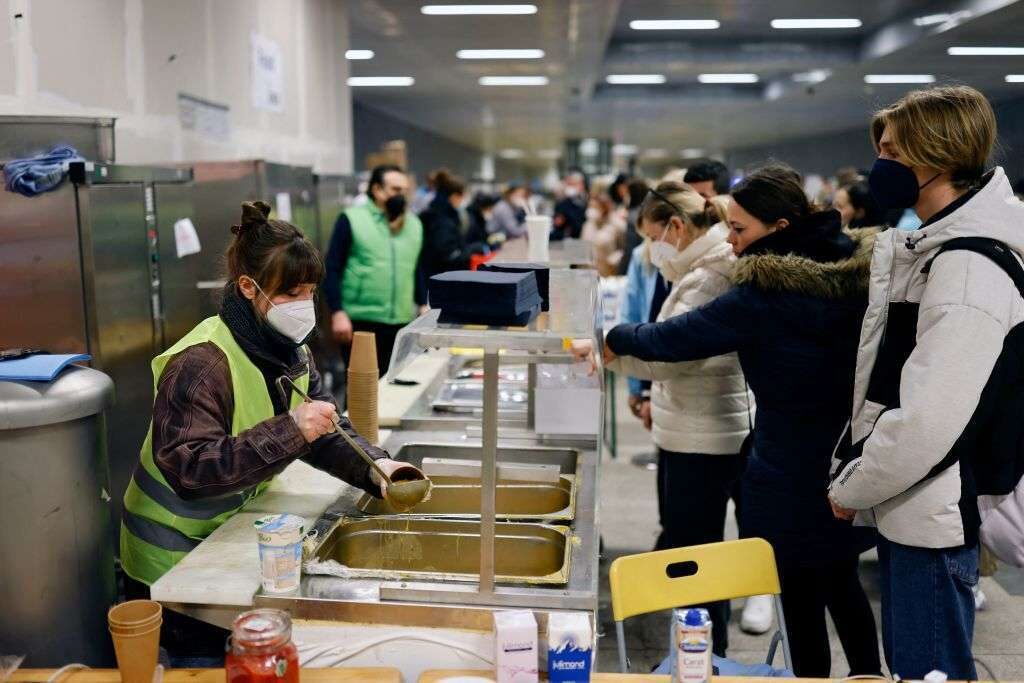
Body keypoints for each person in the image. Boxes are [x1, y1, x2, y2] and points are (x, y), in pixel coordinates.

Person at [579, 165, 881, 677]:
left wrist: (615, 338)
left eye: (740, 230)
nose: (732, 241)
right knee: (841, 581)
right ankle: (869, 676)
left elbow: (682, 336)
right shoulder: (854, 272)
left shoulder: (768, 292)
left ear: (780, 228)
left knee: (801, 597)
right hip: (847, 459)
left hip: (789, 465)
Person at [120, 201, 422, 659]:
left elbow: (324, 427)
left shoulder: (288, 350)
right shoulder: (201, 365)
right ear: (247, 287)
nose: (303, 306)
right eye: (289, 293)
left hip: (225, 541)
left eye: (309, 292)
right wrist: (290, 431)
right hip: (173, 561)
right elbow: (192, 470)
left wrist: (377, 468)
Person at [828, 85, 1024, 681]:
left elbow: (930, 418)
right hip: (915, 503)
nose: (879, 167)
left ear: (935, 155)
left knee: (927, 670)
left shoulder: (967, 266)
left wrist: (853, 485)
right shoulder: (937, 248)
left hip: (932, 510)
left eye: (891, 152)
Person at [607, 181, 750, 656]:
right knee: (691, 544)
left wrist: (611, 352)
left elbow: (670, 356)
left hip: (704, 434)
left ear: (677, 226)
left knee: (697, 555)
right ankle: (696, 650)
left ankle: (704, 655)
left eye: (652, 237)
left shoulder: (709, 277)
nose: (651, 251)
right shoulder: (696, 271)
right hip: (694, 426)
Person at [324, 164, 425, 376]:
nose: (402, 196)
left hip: (402, 321)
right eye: (396, 190)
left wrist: (423, 302)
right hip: (361, 320)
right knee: (362, 387)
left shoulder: (414, 224)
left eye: (405, 191)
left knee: (395, 385)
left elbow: (416, 267)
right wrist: (337, 312)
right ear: (377, 190)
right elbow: (332, 267)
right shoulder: (352, 219)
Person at [418, 169, 484, 278]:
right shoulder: (442, 220)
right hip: (441, 277)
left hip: (435, 275)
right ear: (454, 196)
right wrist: (472, 249)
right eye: (462, 196)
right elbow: (448, 255)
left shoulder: (436, 212)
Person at [618, 178, 652, 275]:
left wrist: (621, 271)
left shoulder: (632, 217)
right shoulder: (647, 212)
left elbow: (630, 248)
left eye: (627, 193)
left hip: (636, 264)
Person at [552, 168, 589, 241]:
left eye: (574, 184)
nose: (571, 187)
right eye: (569, 184)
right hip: (568, 242)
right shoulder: (562, 203)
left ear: (582, 185)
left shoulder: (588, 201)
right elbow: (558, 224)